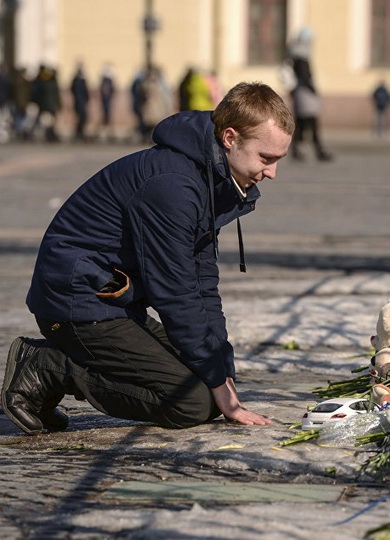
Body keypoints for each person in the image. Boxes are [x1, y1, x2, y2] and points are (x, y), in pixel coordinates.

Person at [1, 82, 295, 435]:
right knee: (192, 403)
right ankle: (50, 366)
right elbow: (175, 291)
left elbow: (203, 282)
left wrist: (222, 369)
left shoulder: (210, 180)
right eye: (266, 159)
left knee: (208, 376)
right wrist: (217, 384)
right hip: (76, 306)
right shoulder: (172, 186)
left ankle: (61, 367)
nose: (272, 173)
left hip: (113, 302)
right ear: (230, 138)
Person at [286, 27, 333, 161]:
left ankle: (298, 150)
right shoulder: (301, 57)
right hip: (305, 94)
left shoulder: (295, 55)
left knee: (302, 123)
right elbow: (305, 77)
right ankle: (318, 150)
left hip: (300, 93)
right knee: (311, 122)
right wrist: (313, 89)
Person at [70, 63, 90, 142]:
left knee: (82, 118)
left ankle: (79, 132)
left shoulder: (81, 80)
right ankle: (79, 133)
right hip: (79, 102)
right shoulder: (77, 80)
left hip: (81, 102)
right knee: (81, 117)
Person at [98, 63, 116, 139]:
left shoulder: (107, 81)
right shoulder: (105, 80)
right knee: (105, 115)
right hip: (105, 101)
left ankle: (107, 131)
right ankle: (105, 131)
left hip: (107, 101)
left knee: (107, 115)